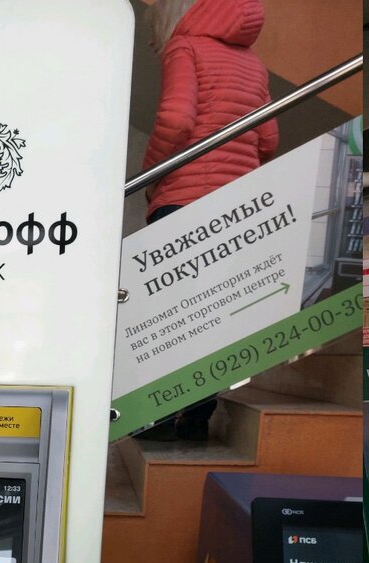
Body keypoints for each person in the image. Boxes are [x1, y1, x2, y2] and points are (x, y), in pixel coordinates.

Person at [141, 0, 278, 440]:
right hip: (239, 209)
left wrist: (151, 173)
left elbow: (177, 119)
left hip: (184, 201)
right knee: (214, 315)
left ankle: (159, 417)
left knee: (171, 317)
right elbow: (269, 139)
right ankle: (197, 417)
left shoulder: (186, 47)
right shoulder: (253, 63)